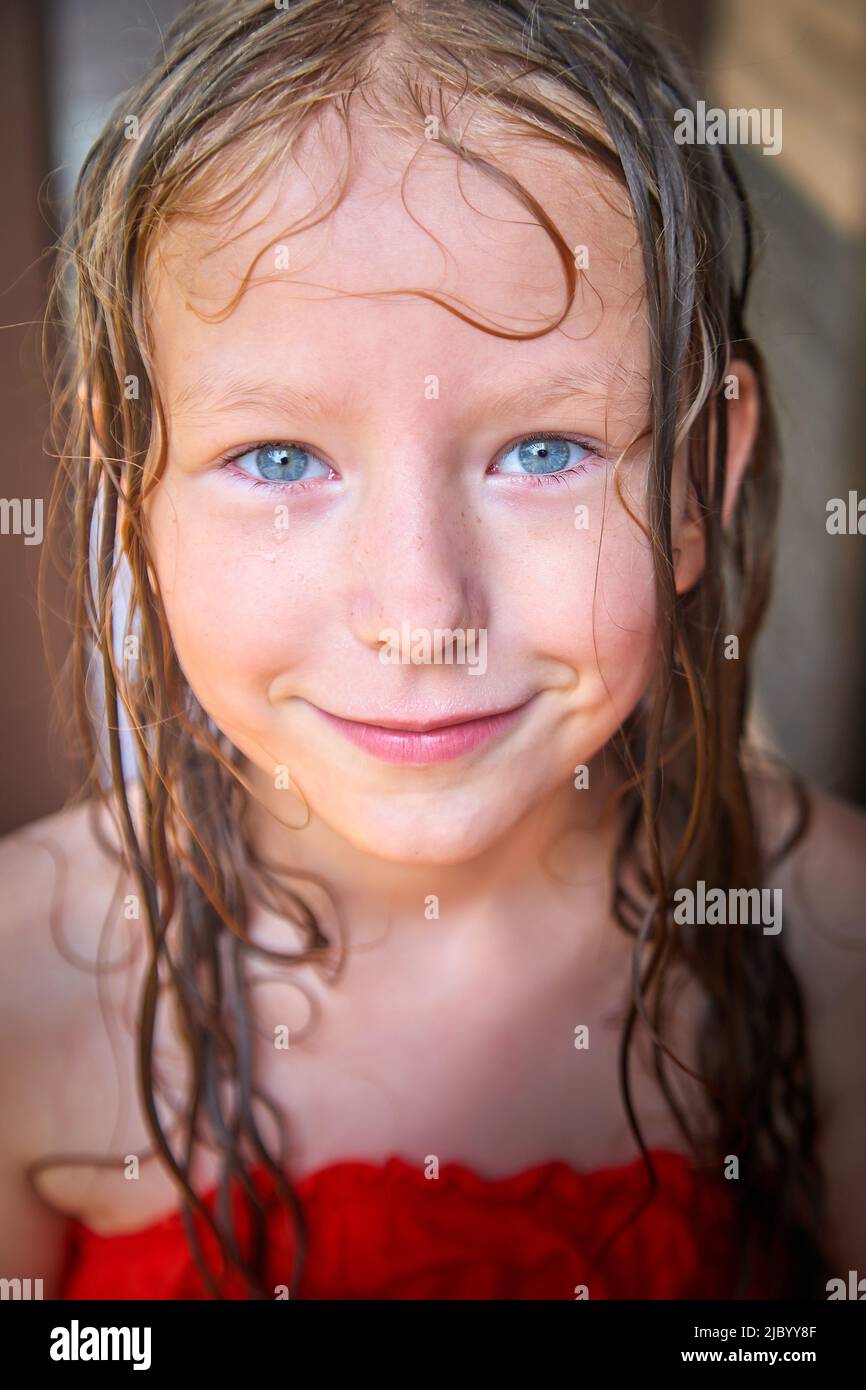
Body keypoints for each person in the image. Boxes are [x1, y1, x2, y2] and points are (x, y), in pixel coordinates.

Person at [1, 0, 864, 1300]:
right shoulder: (23, 986)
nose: (419, 612)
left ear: (700, 477)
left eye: (544, 451)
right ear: (134, 487)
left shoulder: (837, 952)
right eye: (277, 458)